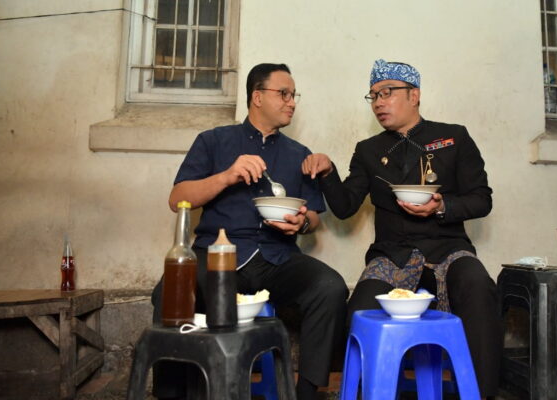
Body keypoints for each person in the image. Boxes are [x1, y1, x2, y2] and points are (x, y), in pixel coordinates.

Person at [301, 59, 502, 398]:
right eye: (373, 96)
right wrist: (327, 172)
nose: (379, 102)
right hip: (392, 255)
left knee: (479, 287)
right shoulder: (369, 150)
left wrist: (441, 206)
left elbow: (482, 199)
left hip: (448, 248)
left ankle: (482, 393)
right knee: (360, 310)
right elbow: (345, 206)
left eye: (387, 93)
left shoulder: (453, 137)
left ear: (415, 95)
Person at [152, 63, 349, 400]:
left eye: (293, 95)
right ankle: (172, 393)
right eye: (283, 93)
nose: (292, 102)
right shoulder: (213, 141)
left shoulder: (298, 154)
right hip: (216, 255)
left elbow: (314, 216)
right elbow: (177, 199)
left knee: (330, 287)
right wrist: (227, 176)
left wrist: (300, 223)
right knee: (169, 290)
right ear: (257, 97)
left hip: (277, 255)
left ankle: (307, 390)